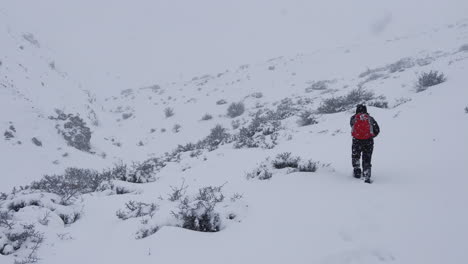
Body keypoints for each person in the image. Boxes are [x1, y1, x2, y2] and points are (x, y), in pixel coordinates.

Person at [350, 104, 380, 183]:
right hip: (368, 141)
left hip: (356, 140)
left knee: (355, 156)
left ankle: (357, 171)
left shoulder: (353, 118)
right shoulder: (370, 119)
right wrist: (371, 136)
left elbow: (352, 126)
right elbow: (377, 130)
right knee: (367, 158)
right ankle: (366, 174)